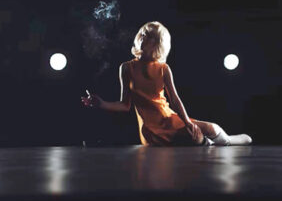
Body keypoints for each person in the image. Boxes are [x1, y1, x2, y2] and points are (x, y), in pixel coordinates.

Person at [80, 21, 252, 146]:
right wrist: (101, 103)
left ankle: (229, 140)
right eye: (142, 34)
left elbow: (175, 100)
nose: (142, 37)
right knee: (196, 142)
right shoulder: (126, 68)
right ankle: (208, 143)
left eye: (148, 36)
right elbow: (125, 105)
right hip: (150, 131)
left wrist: (187, 122)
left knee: (209, 129)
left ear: (156, 43)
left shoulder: (163, 69)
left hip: (169, 119)